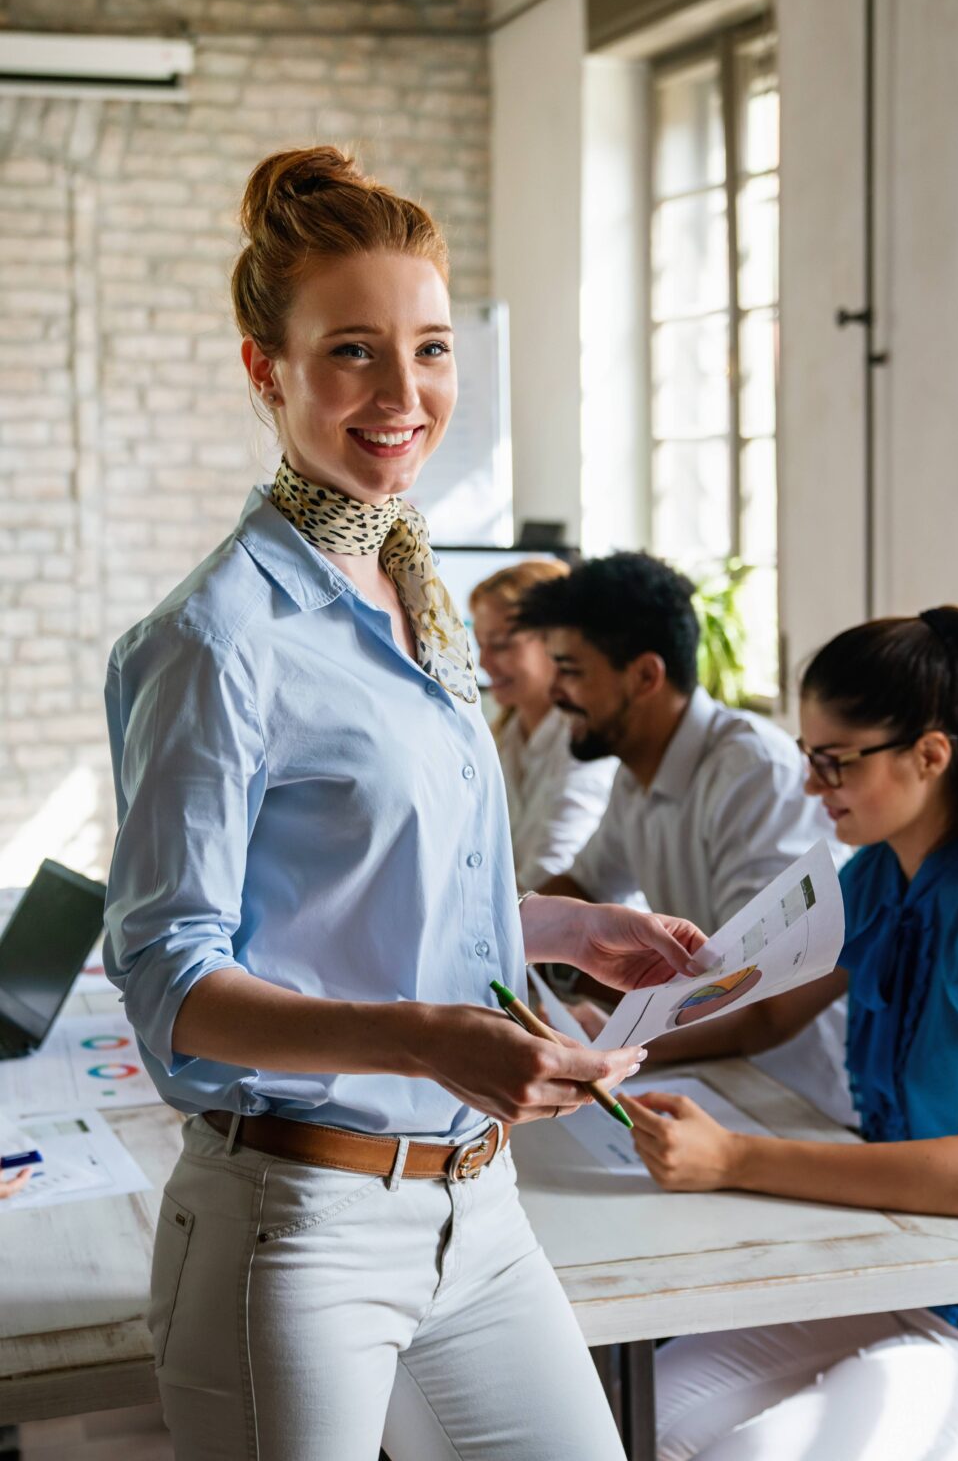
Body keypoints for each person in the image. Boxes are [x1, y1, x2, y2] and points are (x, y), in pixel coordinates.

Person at [102, 146, 704, 1461]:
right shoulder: (215, 641)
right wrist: (429, 1039)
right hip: (297, 1229)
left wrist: (554, 929)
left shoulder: (417, 591)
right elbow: (167, 982)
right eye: (353, 352)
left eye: (430, 350)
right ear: (267, 369)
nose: (404, 395)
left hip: (478, 1215)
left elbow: (379, 881)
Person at [623, 606, 958, 1460]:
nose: (812, 786)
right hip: (900, 1266)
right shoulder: (877, 875)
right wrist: (612, 1047)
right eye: (810, 757)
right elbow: (767, 1012)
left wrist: (732, 1160)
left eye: (835, 762)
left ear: (931, 755)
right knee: (642, 1424)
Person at [516, 552, 852, 1121]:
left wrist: (609, 1040)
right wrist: (525, 942)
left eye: (572, 671)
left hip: (796, 1099)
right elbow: (583, 881)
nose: (556, 693)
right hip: (714, 1074)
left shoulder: (754, 775)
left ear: (646, 676)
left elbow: (758, 991)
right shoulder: (638, 767)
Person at [470, 559, 617, 890]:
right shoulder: (504, 736)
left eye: (501, 644)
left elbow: (552, 873)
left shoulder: (585, 743)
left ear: (556, 642)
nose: (483, 662)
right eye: (480, 644)